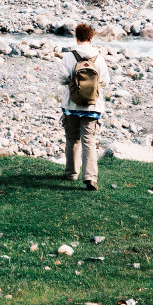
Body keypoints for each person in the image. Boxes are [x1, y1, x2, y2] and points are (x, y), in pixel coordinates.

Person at [60, 22, 109, 188]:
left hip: (71, 105)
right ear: (91, 37)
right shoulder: (99, 57)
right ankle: (90, 178)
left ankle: (71, 173)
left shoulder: (69, 56)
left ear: (76, 37)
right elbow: (105, 81)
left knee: (72, 140)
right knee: (89, 141)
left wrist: (74, 84)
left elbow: (61, 78)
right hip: (92, 106)